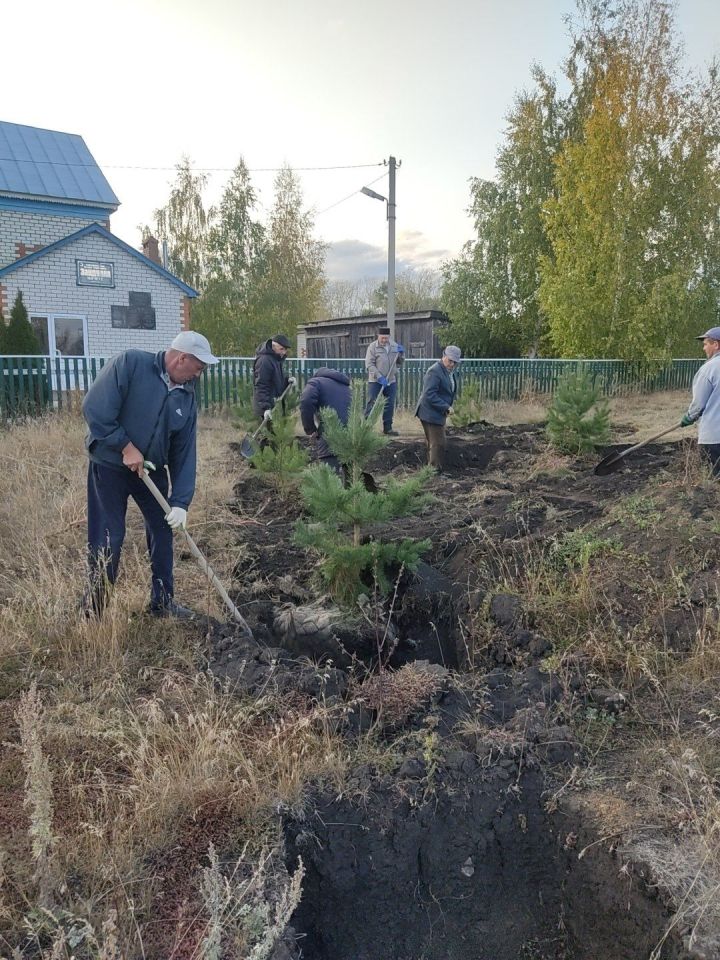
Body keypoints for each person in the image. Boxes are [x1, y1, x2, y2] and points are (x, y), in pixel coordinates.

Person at [81, 330, 218, 619]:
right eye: (198, 368)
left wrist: (180, 502)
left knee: (162, 530)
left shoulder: (186, 398)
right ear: (182, 358)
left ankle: (162, 603)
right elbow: (95, 410)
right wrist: (125, 446)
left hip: (151, 471)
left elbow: (184, 452)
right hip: (109, 466)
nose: (198, 376)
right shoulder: (131, 364)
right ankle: (94, 609)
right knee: (110, 537)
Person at [415, 345, 462, 471]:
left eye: (455, 362)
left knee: (434, 442)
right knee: (438, 444)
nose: (452, 364)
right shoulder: (434, 371)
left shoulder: (447, 371)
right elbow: (429, 395)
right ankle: (434, 473)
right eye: (450, 360)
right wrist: (445, 406)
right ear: (443, 356)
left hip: (437, 412)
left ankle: (429, 470)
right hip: (429, 412)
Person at [681, 325, 720, 476]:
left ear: (716, 345)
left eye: (705, 344)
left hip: (714, 438)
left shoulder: (709, 369)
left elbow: (698, 404)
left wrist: (688, 417)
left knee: (714, 483)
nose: (704, 348)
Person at [299, 366, 351, 475]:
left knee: (330, 478)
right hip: (350, 435)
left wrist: (310, 429)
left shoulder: (316, 382)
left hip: (329, 435)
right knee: (349, 476)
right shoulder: (346, 387)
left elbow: (306, 402)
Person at [364, 326, 404, 435]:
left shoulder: (394, 346)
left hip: (391, 381)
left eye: (386, 338)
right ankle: (366, 428)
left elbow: (400, 362)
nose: (384, 340)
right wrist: (379, 377)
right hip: (375, 381)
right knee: (372, 403)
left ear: (389, 337)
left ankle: (388, 428)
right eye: (382, 338)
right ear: (378, 336)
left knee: (389, 404)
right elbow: (369, 364)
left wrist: (401, 354)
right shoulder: (372, 347)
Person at [252, 334, 296, 425]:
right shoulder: (264, 361)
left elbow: (276, 382)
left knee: (278, 435)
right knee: (269, 436)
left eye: (285, 350)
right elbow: (261, 385)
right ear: (273, 346)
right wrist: (265, 408)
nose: (284, 352)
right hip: (267, 408)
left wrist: (287, 381)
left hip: (274, 405)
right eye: (281, 349)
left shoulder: (275, 360)